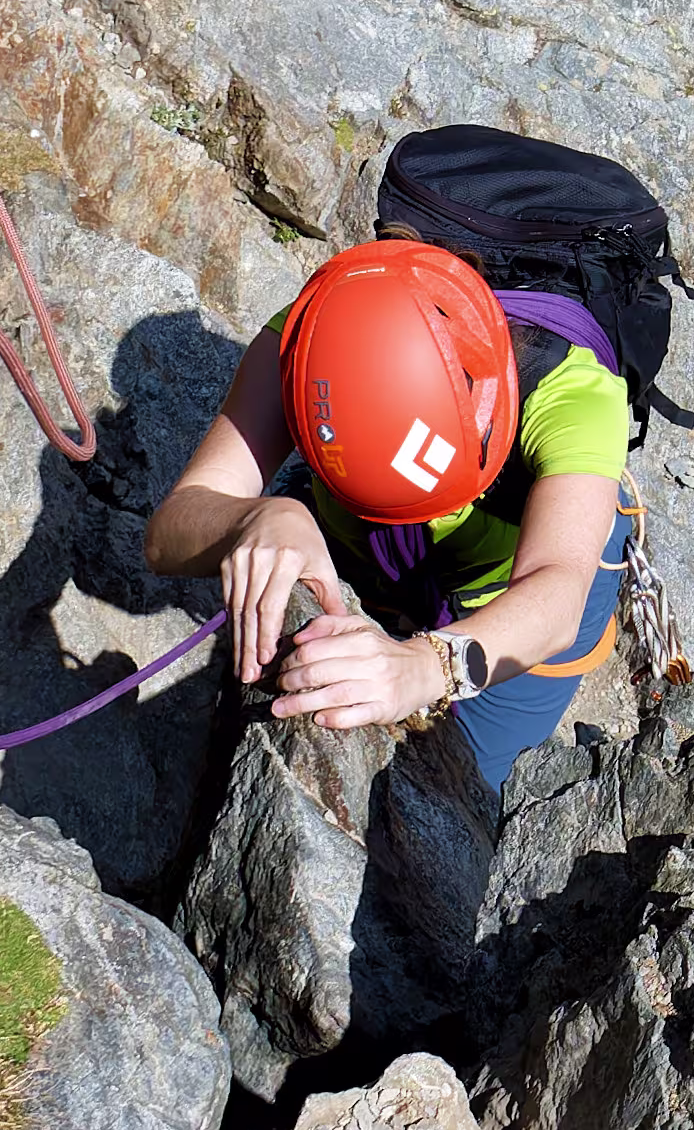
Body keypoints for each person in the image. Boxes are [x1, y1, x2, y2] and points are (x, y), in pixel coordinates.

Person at [147, 225, 640, 791]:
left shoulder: (574, 395)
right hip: (360, 548)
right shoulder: (311, 341)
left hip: (514, 576)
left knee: (468, 780)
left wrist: (432, 666)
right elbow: (170, 531)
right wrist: (258, 517)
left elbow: (557, 595)